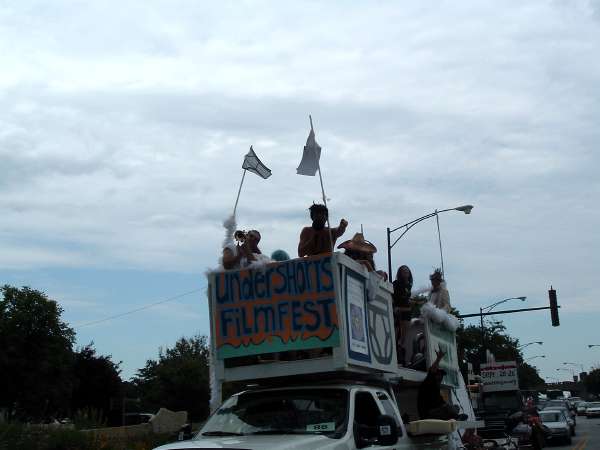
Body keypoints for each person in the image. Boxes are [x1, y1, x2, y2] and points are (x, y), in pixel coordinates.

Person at [417, 347, 467, 421]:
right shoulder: (429, 382)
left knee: (455, 407)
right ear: (435, 375)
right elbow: (432, 370)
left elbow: (442, 403)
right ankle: (456, 417)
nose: (441, 377)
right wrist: (439, 358)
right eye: (439, 375)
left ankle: (454, 417)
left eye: (442, 375)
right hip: (428, 414)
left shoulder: (436, 389)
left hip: (436, 412)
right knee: (448, 408)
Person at [392, 265, 413, 364]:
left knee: (404, 335)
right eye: (403, 271)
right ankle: (397, 355)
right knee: (398, 333)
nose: (406, 272)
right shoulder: (396, 283)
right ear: (400, 273)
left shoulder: (409, 285)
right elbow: (393, 297)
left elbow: (407, 298)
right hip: (399, 310)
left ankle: (401, 355)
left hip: (407, 311)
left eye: (407, 270)